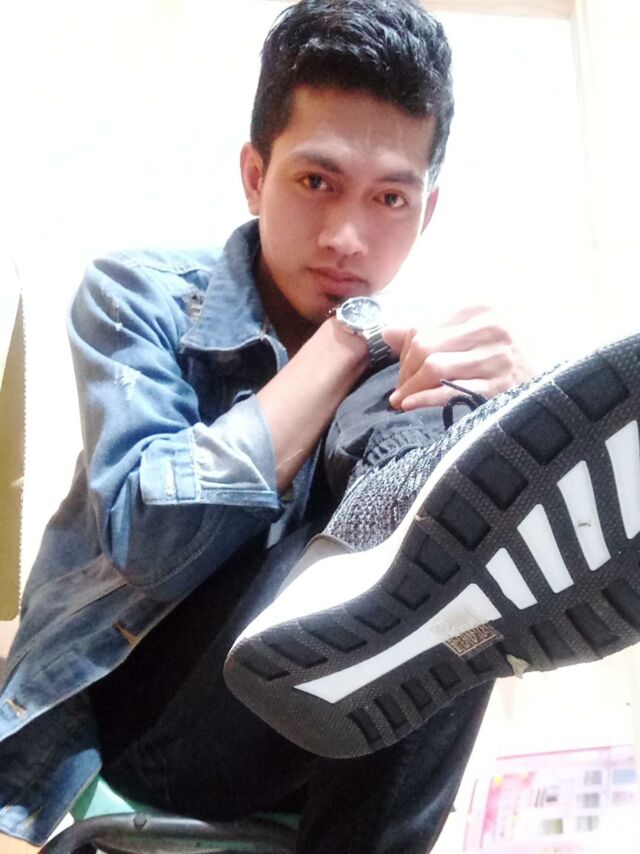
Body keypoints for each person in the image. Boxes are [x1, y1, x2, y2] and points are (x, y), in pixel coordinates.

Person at [0, 1, 531, 851]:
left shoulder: (411, 367)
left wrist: (503, 414)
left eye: (390, 197)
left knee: (452, 525)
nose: (348, 236)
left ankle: (489, 479)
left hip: (316, 748)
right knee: (440, 547)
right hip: (146, 731)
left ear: (426, 211)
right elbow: (149, 540)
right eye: (317, 182)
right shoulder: (138, 298)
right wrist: (350, 335)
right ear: (255, 175)